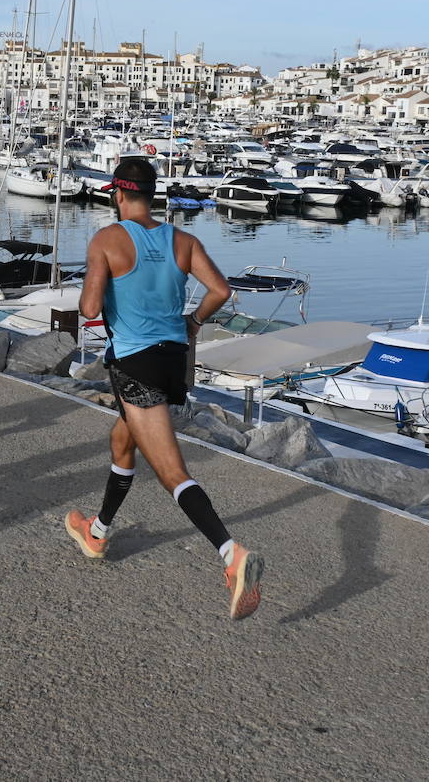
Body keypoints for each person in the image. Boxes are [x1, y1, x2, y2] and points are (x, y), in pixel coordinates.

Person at [66, 157, 264, 621]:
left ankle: (230, 553)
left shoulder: (108, 239)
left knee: (172, 470)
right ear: (153, 194)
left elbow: (90, 307)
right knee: (123, 437)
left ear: (118, 193)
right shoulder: (183, 239)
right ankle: (97, 529)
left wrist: (103, 282)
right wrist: (192, 322)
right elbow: (221, 290)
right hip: (173, 359)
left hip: (135, 364)